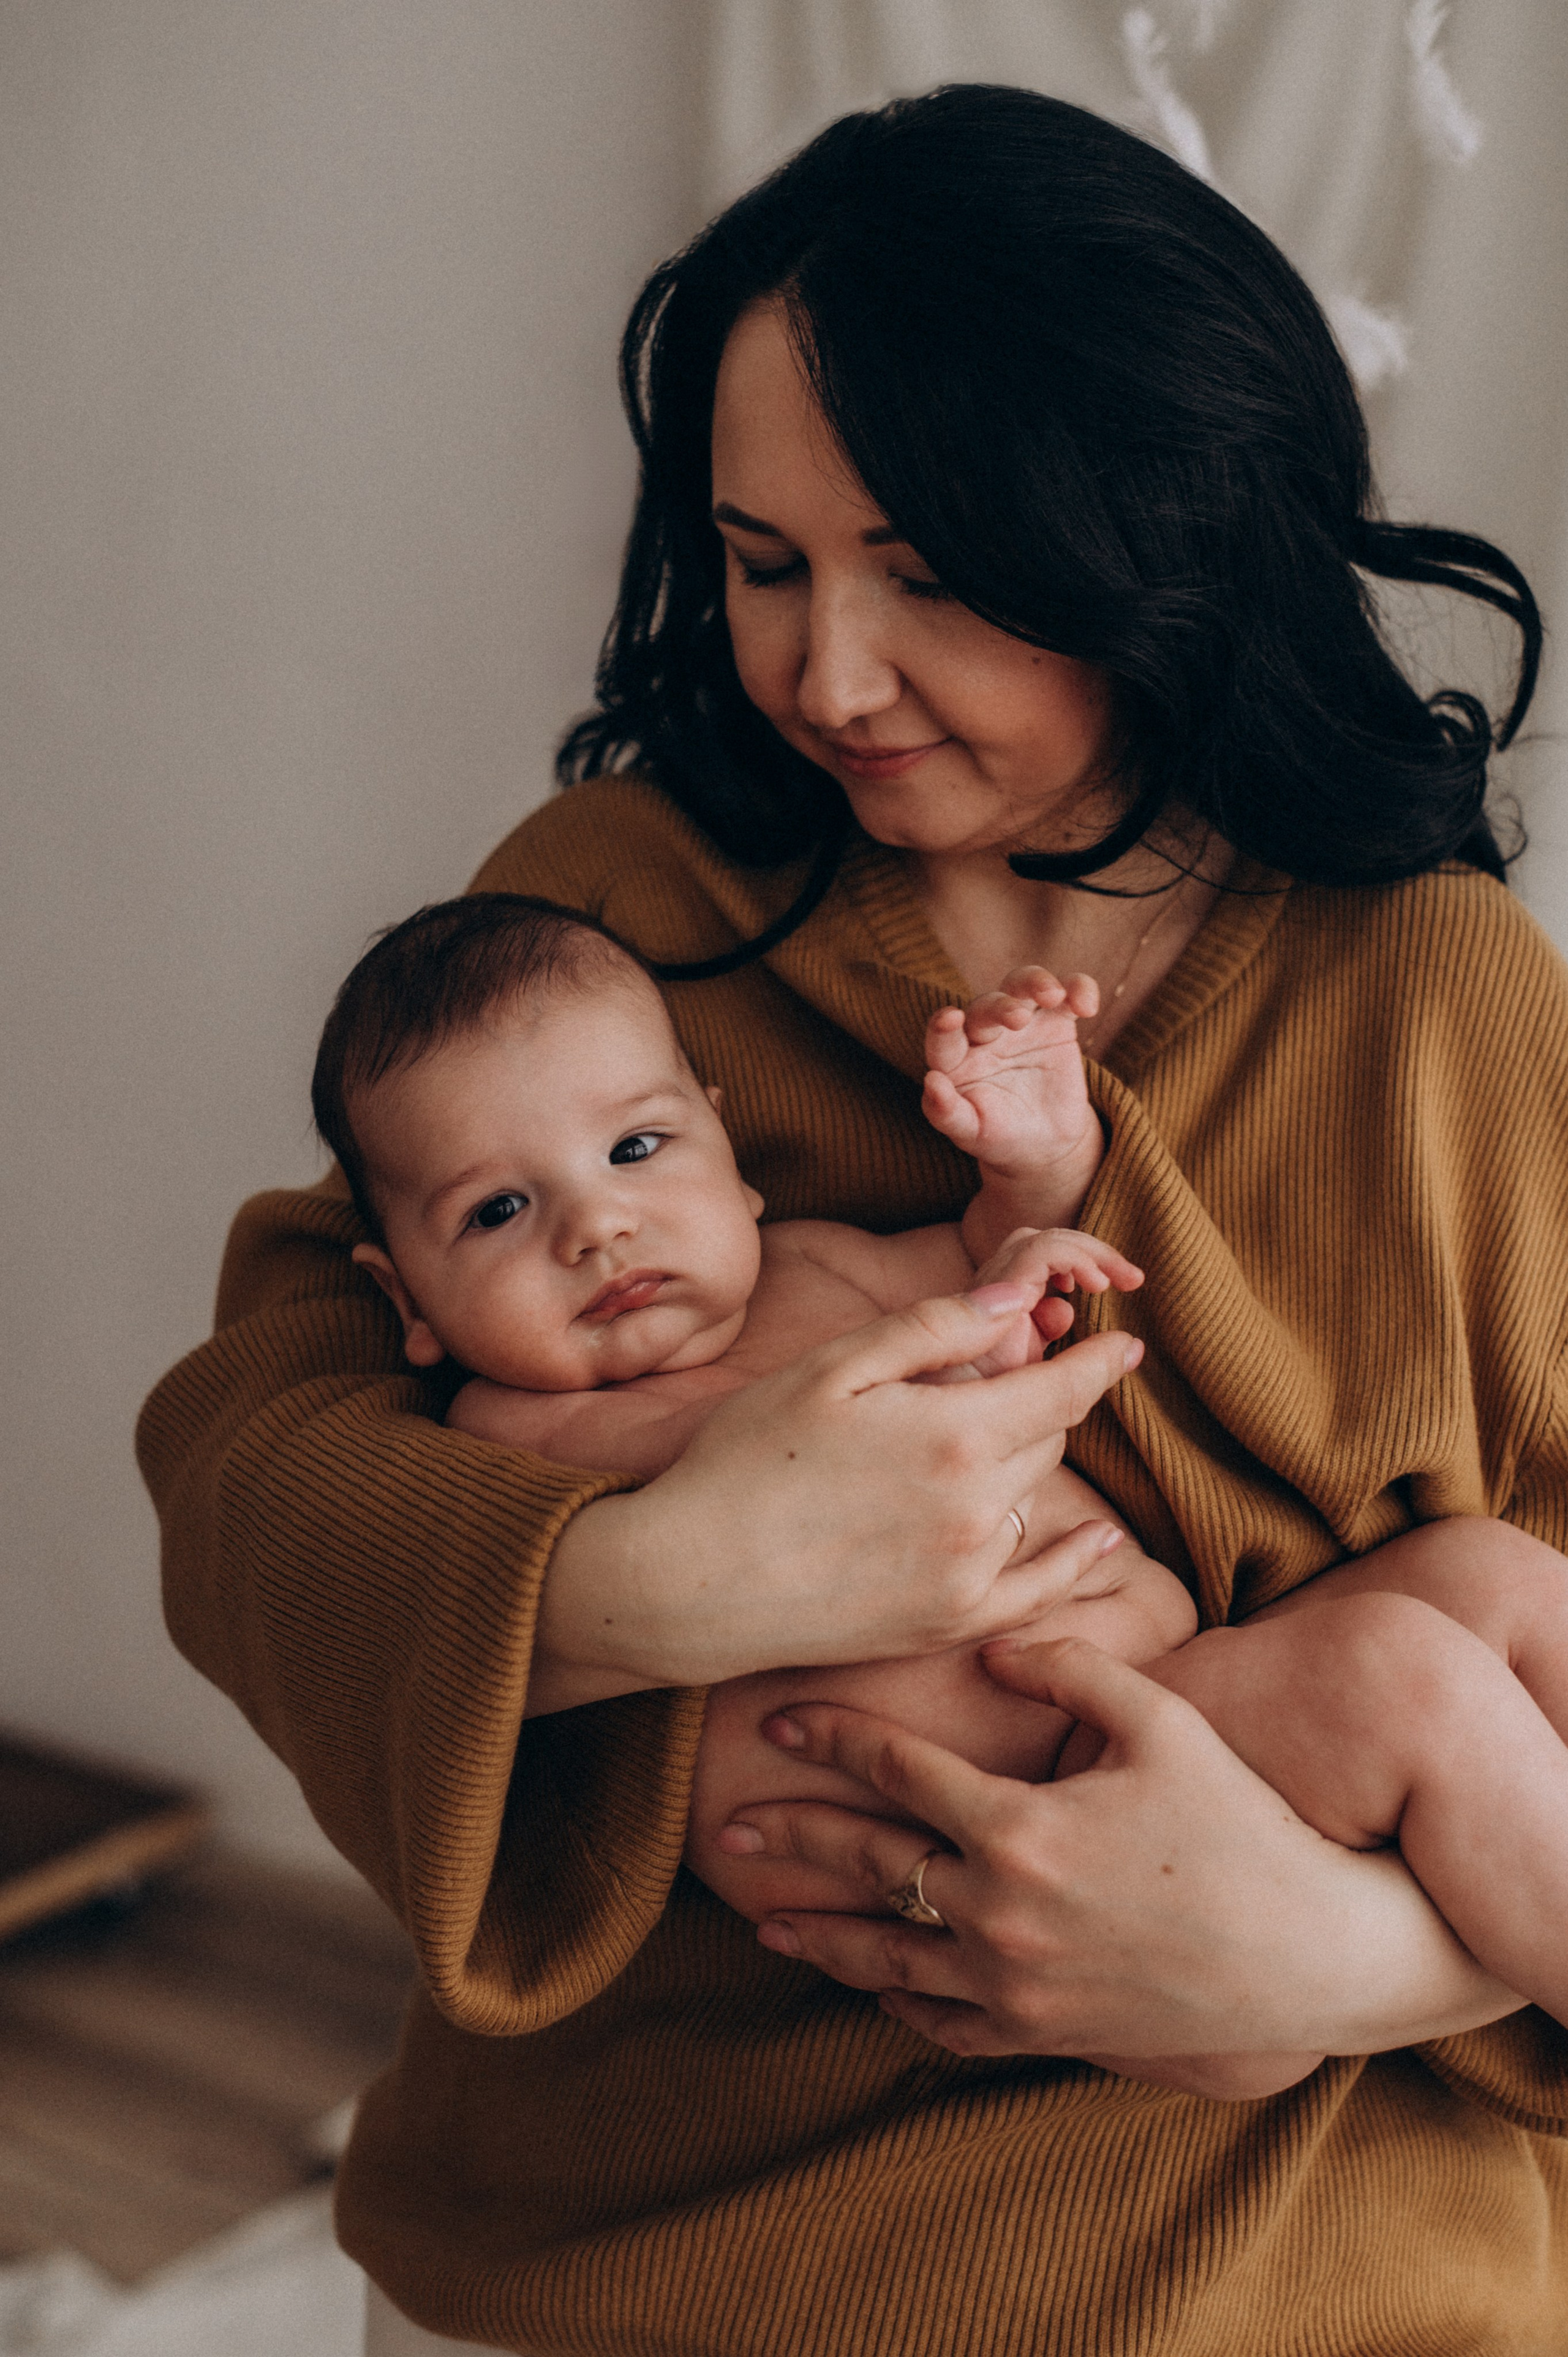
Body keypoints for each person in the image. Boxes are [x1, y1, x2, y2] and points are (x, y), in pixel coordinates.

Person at [135, 85, 1568, 2357]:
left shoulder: (1436, 999)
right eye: (765, 559)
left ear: (1154, 535)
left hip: (1277, 2238)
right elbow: (249, 1473)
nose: (828, 675)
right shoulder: (610, 917)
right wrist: (657, 1577)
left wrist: (1354, 1955)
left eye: (924, 567)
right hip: (643, 2223)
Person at [311, 888, 1568, 2087]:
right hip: (1031, 1815)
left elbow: (985, 1273)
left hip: (1183, 1726)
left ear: (730, 1157)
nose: (595, 1225)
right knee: (1398, 1677)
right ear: (406, 1300)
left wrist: (1032, 1178)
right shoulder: (515, 1432)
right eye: (496, 1212)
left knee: (1491, 1574)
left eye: (637, 1148)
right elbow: (450, 1583)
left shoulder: (818, 1268)